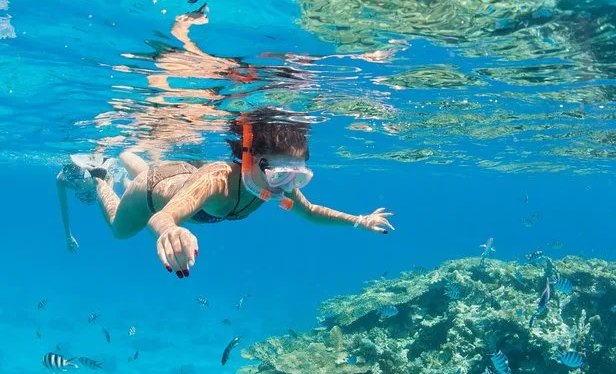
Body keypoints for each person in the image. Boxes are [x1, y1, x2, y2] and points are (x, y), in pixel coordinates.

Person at [94, 108, 395, 279]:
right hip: (150, 192)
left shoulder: (279, 186)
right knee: (119, 230)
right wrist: (170, 230)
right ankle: (100, 175)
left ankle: (126, 155)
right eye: (280, 174)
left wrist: (359, 220)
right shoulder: (218, 180)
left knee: (148, 168)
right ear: (252, 160)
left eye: (297, 176)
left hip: (180, 175)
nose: (286, 185)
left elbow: (311, 211)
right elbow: (163, 216)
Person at [56, 154, 120, 252]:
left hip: (92, 171)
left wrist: (68, 235)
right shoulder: (99, 178)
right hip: (98, 173)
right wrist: (68, 235)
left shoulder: (63, 180)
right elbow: (108, 201)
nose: (77, 186)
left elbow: (64, 209)